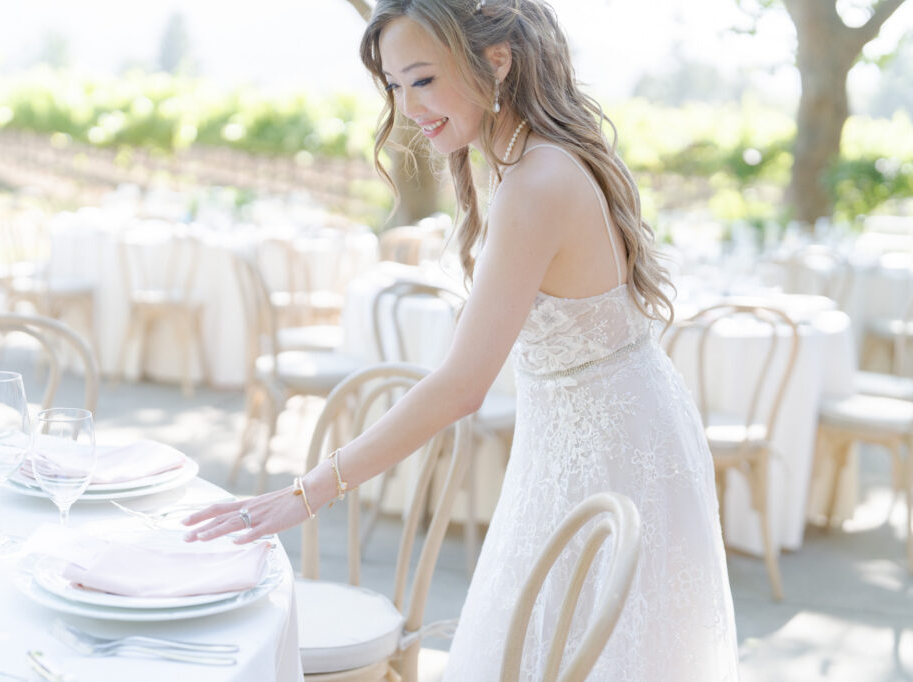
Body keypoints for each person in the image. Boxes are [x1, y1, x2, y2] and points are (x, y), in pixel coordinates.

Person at [184, 0, 739, 679]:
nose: (409, 105)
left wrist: (305, 494)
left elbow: (460, 387)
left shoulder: (536, 180)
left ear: (494, 61)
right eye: (393, 85)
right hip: (593, 436)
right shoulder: (535, 159)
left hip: (610, 455)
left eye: (423, 79)